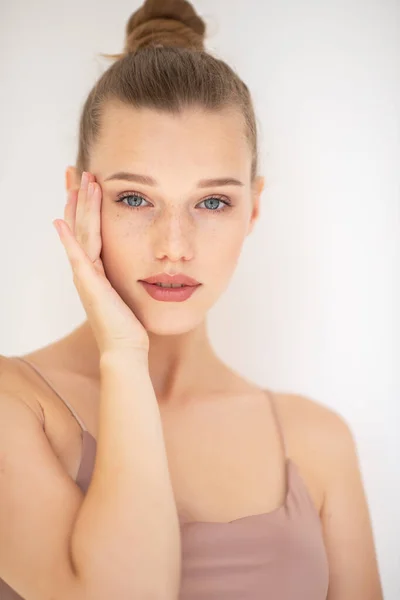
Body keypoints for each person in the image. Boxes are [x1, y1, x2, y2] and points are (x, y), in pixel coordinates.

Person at [0, 0, 383, 598]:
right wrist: (124, 357)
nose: (174, 247)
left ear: (252, 208)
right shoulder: (15, 407)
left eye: (211, 203)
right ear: (80, 197)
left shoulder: (317, 443)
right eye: (134, 198)